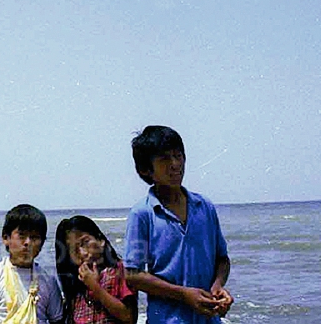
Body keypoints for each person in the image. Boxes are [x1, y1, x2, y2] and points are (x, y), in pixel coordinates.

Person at [124, 125, 232, 323]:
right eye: (165, 158)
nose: (175, 164)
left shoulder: (204, 206)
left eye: (179, 155)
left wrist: (217, 287)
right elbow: (133, 274)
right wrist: (183, 294)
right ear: (146, 169)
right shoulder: (143, 214)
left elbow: (222, 259)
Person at [0, 203, 65, 324]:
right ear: (6, 238)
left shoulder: (48, 281)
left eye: (34, 237)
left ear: (42, 244)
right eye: (21, 235)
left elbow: (57, 320)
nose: (27, 243)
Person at [55, 215, 137, 324]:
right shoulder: (76, 284)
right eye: (75, 250)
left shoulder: (120, 270)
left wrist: (94, 286)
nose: (83, 252)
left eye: (85, 242)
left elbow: (128, 316)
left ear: (100, 240)